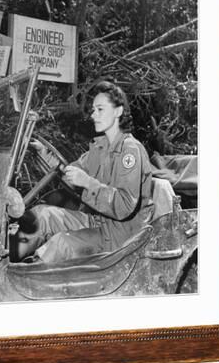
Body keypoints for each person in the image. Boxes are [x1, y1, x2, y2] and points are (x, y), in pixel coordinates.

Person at [16, 81, 154, 263]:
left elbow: (124, 206)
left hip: (124, 235)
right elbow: (70, 172)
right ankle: (1, 257)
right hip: (99, 222)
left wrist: (88, 183)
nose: (93, 115)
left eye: (100, 109)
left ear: (118, 111)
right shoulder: (100, 148)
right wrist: (44, 154)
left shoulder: (130, 150)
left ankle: (26, 282)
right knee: (42, 215)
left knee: (62, 244)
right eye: (93, 110)